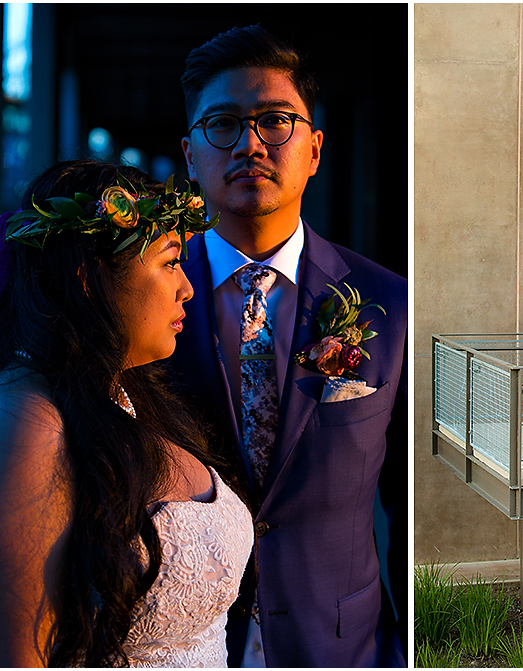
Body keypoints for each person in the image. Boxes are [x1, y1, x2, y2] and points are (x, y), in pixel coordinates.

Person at [169, 25, 407, 667]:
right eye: (223, 125)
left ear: (315, 148)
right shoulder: (142, 305)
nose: (250, 144)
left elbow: (407, 502)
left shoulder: (392, 303)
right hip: (186, 639)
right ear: (191, 154)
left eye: (276, 121)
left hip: (343, 643)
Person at [0, 160, 255, 667]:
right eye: (169, 262)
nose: (188, 287)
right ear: (88, 277)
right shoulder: (20, 426)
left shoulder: (127, 396)